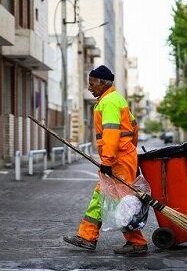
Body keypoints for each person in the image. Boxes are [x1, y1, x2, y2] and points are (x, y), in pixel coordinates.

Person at [63, 65, 148, 255]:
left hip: (117, 159)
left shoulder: (109, 102)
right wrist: (129, 151)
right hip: (123, 157)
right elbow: (134, 128)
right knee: (101, 196)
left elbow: (111, 134)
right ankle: (87, 237)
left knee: (121, 200)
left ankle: (137, 242)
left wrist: (108, 161)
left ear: (102, 83)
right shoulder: (115, 99)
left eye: (92, 83)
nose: (90, 87)